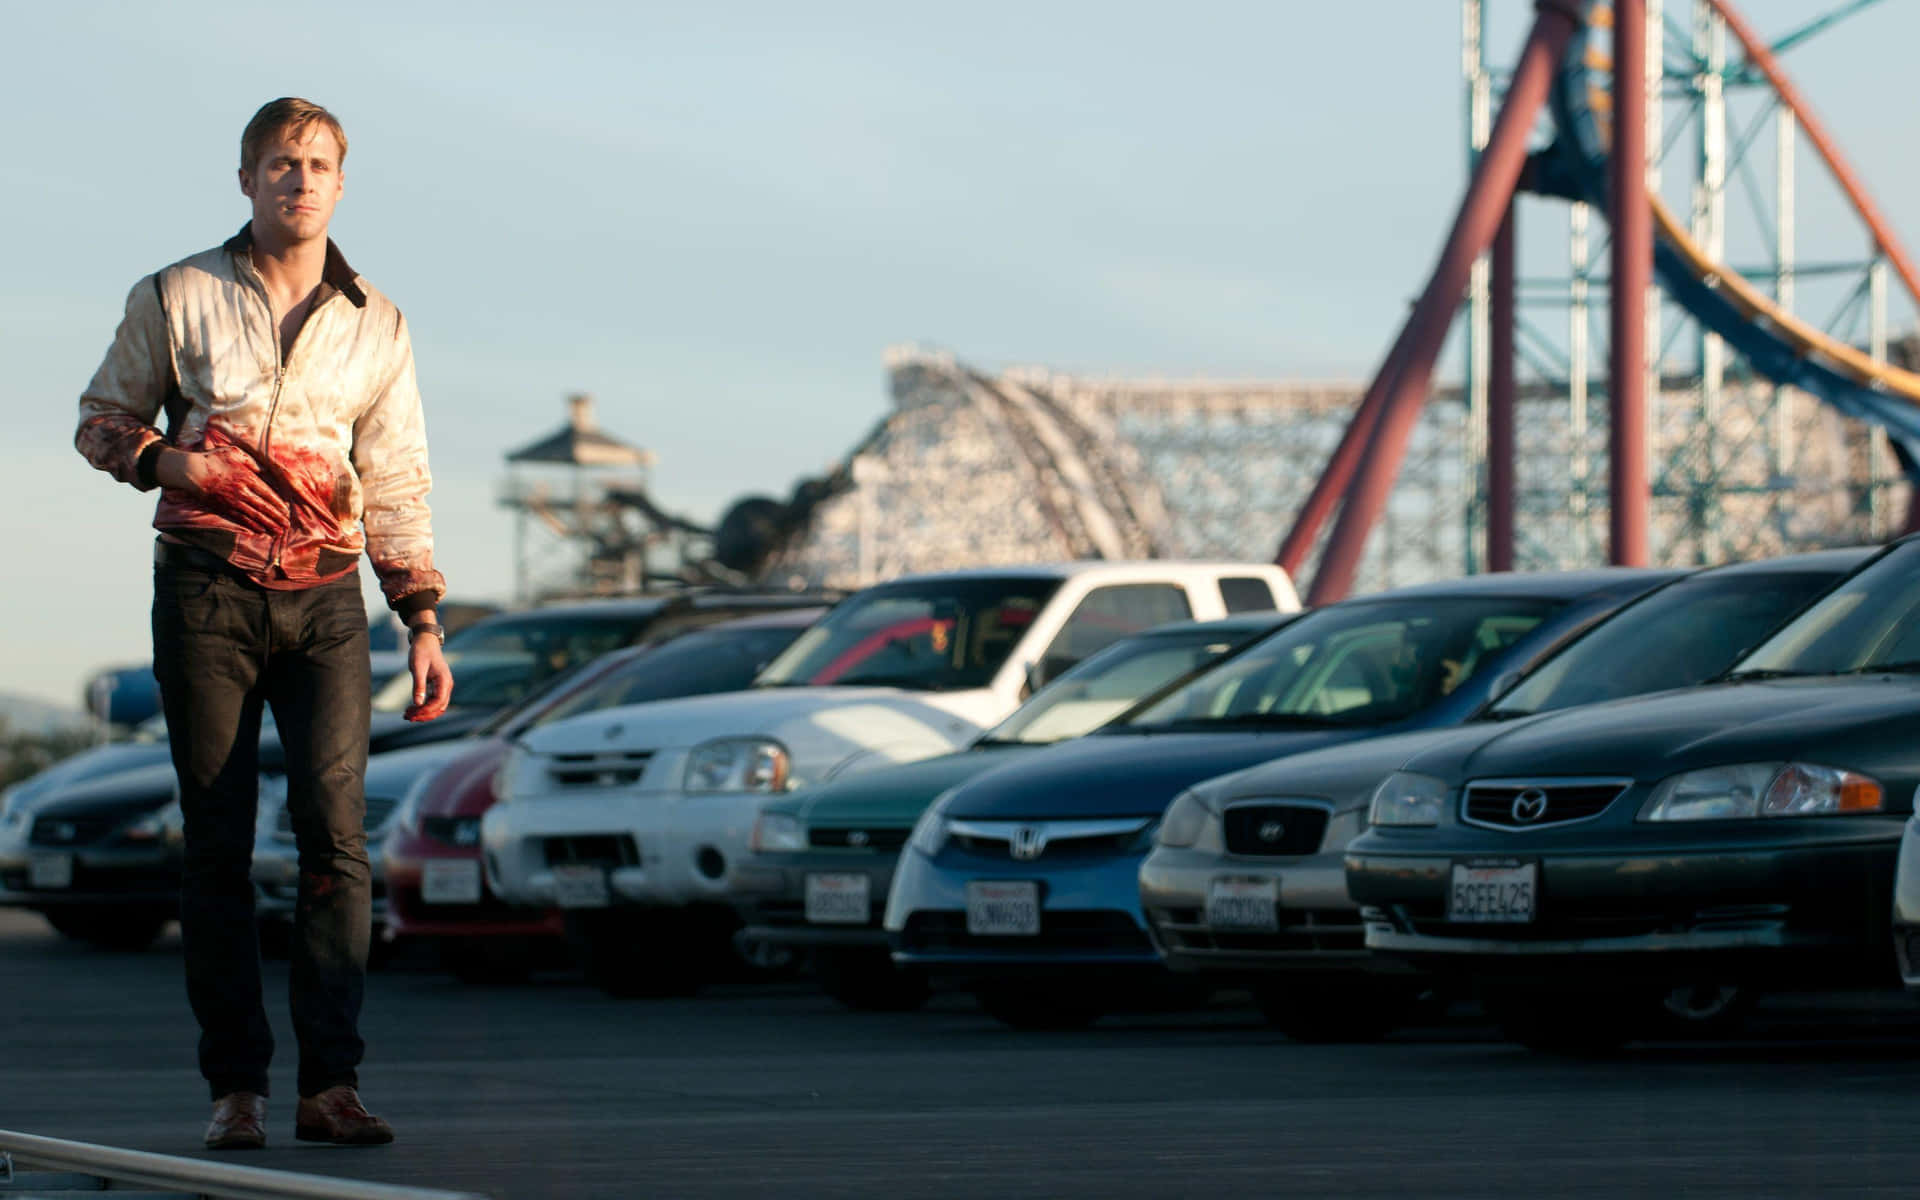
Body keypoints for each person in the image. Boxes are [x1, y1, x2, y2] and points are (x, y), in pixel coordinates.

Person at [74, 97, 454, 1151]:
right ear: (246, 180)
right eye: (280, 163)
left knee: (337, 841)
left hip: (330, 598)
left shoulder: (378, 320)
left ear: (342, 183)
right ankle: (234, 1088)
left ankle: (331, 1086)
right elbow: (100, 418)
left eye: (319, 163)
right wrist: (166, 460)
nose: (299, 179)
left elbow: (398, 477)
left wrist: (420, 618)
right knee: (217, 846)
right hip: (207, 589)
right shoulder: (179, 292)